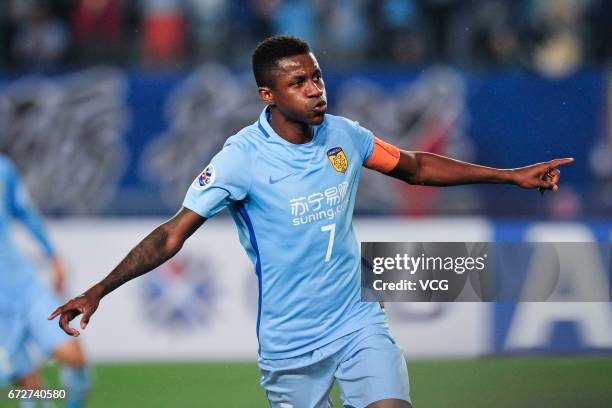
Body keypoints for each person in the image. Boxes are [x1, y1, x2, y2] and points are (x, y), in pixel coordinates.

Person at [49, 35, 572, 408]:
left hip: (356, 322)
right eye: (298, 82)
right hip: (289, 344)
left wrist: (510, 176)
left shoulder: (344, 135)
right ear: (268, 96)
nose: (316, 89)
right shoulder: (240, 158)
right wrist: (98, 290)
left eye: (317, 75)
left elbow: (414, 166)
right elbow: (171, 233)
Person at [0, 154, 90, 408]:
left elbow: (25, 213)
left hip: (23, 285)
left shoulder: (3, 168)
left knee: (74, 357)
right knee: (30, 385)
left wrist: (53, 255)